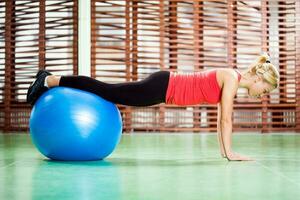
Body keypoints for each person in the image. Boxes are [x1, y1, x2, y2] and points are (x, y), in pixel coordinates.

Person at [27, 54, 280, 161]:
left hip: (163, 87)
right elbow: (226, 120)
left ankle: (49, 79)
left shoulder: (231, 78)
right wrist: (231, 153)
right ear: (258, 79)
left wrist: (226, 153)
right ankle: (48, 79)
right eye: (265, 90)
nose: (262, 95)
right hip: (162, 87)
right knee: (107, 90)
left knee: (109, 91)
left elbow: (219, 121)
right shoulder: (231, 78)